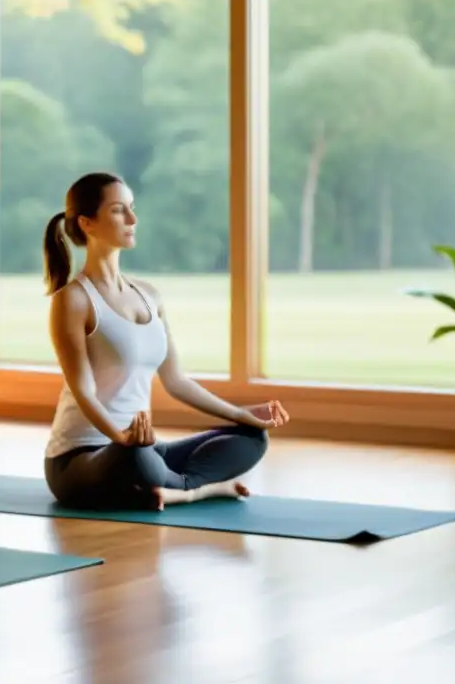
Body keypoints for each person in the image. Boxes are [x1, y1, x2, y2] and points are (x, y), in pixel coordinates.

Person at [42, 172, 290, 511]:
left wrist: (242, 414)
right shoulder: (72, 299)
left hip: (143, 447)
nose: (132, 219)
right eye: (118, 210)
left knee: (251, 438)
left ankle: (168, 488)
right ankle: (197, 490)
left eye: (132, 208)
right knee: (137, 458)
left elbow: (177, 382)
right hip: (80, 459)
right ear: (87, 223)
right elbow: (83, 390)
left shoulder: (149, 295)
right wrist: (121, 438)